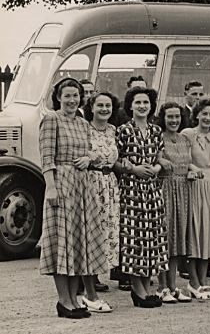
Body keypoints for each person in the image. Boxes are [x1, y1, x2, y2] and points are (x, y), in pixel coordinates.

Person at [39, 78, 108, 319]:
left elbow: (92, 152)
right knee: (62, 244)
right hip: (61, 183)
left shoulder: (81, 122)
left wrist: (89, 159)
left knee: (78, 242)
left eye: (76, 96)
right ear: (58, 97)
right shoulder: (51, 119)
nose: (72, 100)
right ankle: (63, 301)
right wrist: (51, 188)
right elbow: (46, 157)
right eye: (67, 96)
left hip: (82, 186)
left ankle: (74, 300)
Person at [116, 86, 168, 308]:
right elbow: (115, 161)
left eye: (146, 102)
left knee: (152, 239)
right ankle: (138, 291)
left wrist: (156, 169)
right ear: (130, 106)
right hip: (131, 189)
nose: (142, 106)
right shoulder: (123, 131)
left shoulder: (156, 131)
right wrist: (133, 169)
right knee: (135, 239)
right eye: (137, 102)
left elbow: (160, 158)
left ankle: (146, 288)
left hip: (152, 189)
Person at [180, 98, 210, 299]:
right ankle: (193, 282)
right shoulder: (188, 134)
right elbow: (181, 159)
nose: (208, 117)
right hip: (195, 185)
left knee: (207, 234)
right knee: (195, 233)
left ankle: (203, 282)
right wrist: (193, 168)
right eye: (204, 113)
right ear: (197, 114)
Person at [80, 91, 122, 312]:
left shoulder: (113, 130)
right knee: (91, 236)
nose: (104, 109)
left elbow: (117, 159)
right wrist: (88, 159)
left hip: (110, 185)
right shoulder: (84, 129)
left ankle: (93, 285)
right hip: (91, 183)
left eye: (108, 105)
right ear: (92, 107)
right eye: (100, 105)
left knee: (106, 237)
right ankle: (89, 294)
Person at [154, 102, 194, 303]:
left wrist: (193, 170)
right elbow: (156, 158)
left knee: (178, 237)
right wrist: (161, 162)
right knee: (165, 237)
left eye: (177, 116)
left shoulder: (185, 139)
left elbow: (189, 162)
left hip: (183, 190)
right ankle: (161, 287)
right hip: (165, 189)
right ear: (163, 118)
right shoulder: (158, 137)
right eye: (170, 116)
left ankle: (173, 285)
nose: (174, 120)